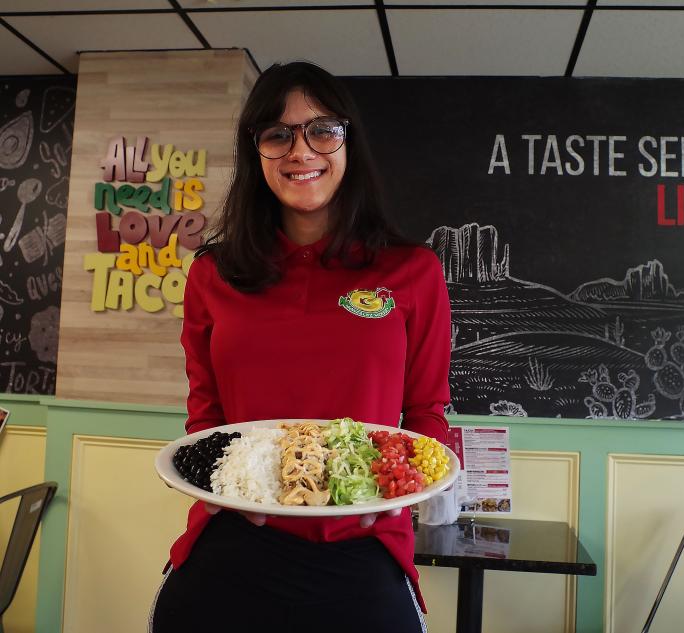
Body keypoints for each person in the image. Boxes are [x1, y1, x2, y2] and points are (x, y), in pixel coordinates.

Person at [150, 61, 451, 633]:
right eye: (277, 134)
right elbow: (206, 411)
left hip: (364, 540)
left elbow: (426, 411)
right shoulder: (214, 274)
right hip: (236, 535)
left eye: (322, 130)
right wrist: (211, 489)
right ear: (255, 151)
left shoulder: (413, 271)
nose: (300, 150)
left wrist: (411, 493)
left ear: (349, 142)